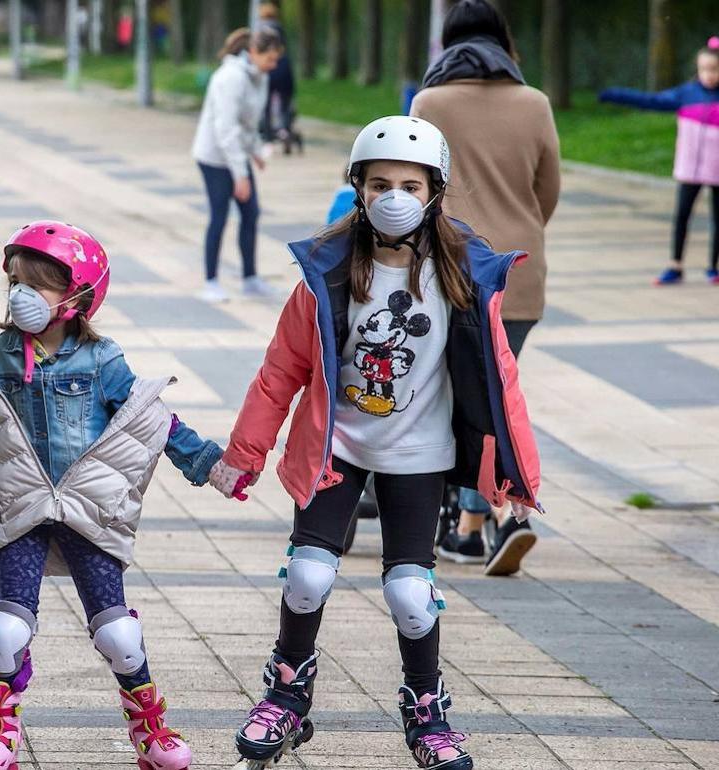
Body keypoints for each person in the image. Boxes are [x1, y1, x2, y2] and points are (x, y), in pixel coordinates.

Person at [207, 116, 542, 770]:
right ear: (357, 189)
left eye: (410, 185)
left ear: (434, 192)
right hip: (338, 448)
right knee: (308, 575)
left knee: (410, 593)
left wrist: (517, 479)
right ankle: (286, 696)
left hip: (420, 457)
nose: (395, 197)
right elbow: (282, 369)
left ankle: (428, 711)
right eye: (380, 182)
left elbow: (501, 379)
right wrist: (243, 454)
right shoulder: (328, 273)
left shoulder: (464, 277)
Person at [0, 221, 226, 770]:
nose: (21, 294)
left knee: (117, 633)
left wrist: (211, 465)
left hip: (88, 511)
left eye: (36, 285)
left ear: (77, 295)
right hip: (23, 509)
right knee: (5, 628)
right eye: (15, 280)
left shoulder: (102, 359)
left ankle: (150, 727)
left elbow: (150, 420)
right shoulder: (2, 354)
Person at [411, 0, 559, 575]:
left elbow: (412, 179)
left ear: (447, 42)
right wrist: (518, 226)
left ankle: (473, 524)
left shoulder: (430, 102)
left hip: (449, 266)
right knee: (497, 391)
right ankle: (487, 518)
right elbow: (548, 189)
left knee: (460, 398)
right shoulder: (536, 104)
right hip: (520, 271)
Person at [600, 36, 719, 285]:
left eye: (714, 69)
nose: (708, 74)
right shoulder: (686, 94)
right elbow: (651, 100)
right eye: (704, 69)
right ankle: (675, 265)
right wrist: (616, 95)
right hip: (690, 169)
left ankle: (713, 267)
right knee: (682, 216)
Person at [191, 27, 285, 303]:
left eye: (277, 59)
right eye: (270, 58)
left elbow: (248, 124)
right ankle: (210, 282)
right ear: (253, 52)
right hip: (214, 156)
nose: (274, 64)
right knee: (219, 215)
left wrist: (255, 151)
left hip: (235, 155)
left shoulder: (260, 77)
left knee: (251, 213)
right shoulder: (230, 78)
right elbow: (226, 129)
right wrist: (240, 175)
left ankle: (250, 278)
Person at [257, 3, 301, 154]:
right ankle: (284, 130)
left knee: (266, 105)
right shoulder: (280, 29)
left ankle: (268, 139)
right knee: (285, 103)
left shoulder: (260, 29)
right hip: (284, 68)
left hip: (268, 70)